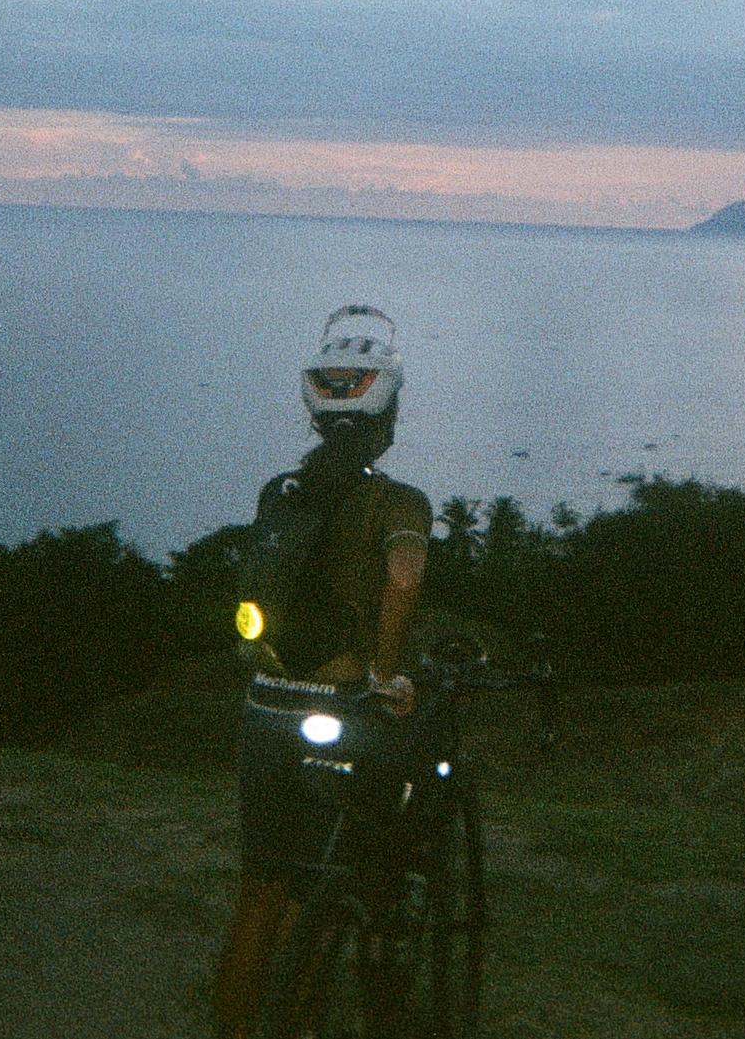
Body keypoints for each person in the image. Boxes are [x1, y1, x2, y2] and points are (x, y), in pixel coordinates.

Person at [213, 305, 433, 1039]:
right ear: (388, 414)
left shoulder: (281, 492)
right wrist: (386, 674)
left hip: (267, 708)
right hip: (340, 707)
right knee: (319, 889)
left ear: (315, 412)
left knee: (261, 888)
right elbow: (402, 579)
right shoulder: (398, 502)